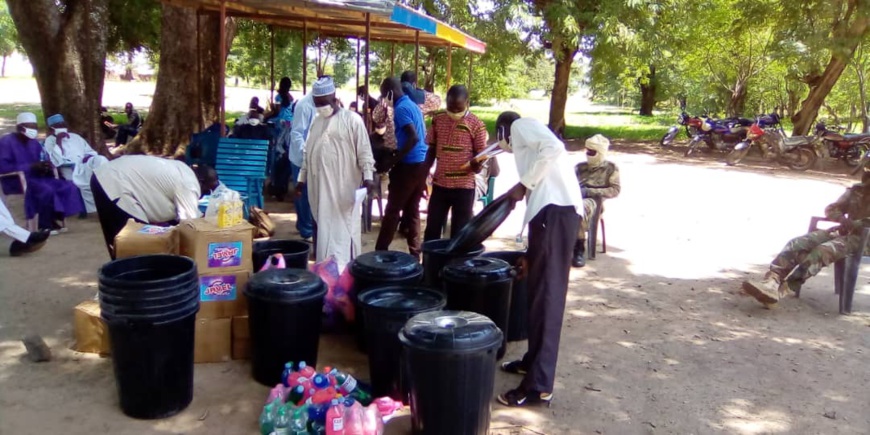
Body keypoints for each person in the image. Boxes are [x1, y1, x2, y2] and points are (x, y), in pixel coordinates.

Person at [493, 111, 583, 407]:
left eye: (500, 137)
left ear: (504, 128)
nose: (503, 144)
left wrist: (522, 184)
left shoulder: (520, 126)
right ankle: (533, 361)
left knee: (547, 298)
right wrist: (531, 254)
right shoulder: (527, 144)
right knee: (538, 292)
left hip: (557, 214)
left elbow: (555, 148)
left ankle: (538, 386)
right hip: (550, 215)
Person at [742, 171, 870, 305]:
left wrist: (858, 224)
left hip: (864, 241)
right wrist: (841, 219)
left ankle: (784, 289)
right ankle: (772, 281)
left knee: (821, 252)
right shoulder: (857, 190)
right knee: (797, 243)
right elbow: (832, 208)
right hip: (843, 232)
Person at [295, 77, 375, 269]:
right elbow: (307, 153)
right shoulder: (316, 122)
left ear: (334, 97)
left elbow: (365, 152)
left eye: (324, 102)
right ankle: (326, 274)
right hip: (320, 192)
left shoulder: (352, 120)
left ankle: (345, 274)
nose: (322, 107)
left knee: (344, 234)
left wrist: (368, 178)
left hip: (344, 193)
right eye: (317, 103)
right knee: (323, 234)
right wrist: (301, 180)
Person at [91, 155, 201, 259]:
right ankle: (129, 274)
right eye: (212, 185)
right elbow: (189, 225)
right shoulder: (189, 185)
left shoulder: (184, 170)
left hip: (109, 173)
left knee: (124, 240)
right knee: (133, 240)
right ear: (202, 182)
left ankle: (125, 270)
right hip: (113, 182)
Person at [423, 85, 488, 241]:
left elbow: (482, 155)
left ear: (467, 102)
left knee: (459, 233)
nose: (454, 112)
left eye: (458, 109)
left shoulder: (477, 124)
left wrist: (476, 166)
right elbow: (431, 149)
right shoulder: (438, 120)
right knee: (432, 230)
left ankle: (454, 265)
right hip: (440, 185)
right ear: (446, 101)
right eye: (451, 107)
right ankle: (429, 264)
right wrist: (424, 173)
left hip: (463, 188)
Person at [0, 113, 84, 233]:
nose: (33, 130)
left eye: (35, 127)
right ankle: (44, 224)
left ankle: (54, 218)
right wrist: (30, 166)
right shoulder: (6, 142)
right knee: (45, 189)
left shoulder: (34, 143)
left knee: (67, 186)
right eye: (30, 127)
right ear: (20, 128)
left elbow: (41, 159)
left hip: (37, 177)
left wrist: (46, 165)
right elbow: (3, 167)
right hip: (16, 180)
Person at [374, 77, 429, 259]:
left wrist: (393, 160)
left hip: (409, 166)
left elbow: (413, 138)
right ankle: (415, 255)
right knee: (412, 211)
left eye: (384, 95)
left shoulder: (400, 109)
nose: (384, 99)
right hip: (421, 164)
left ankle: (379, 253)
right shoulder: (412, 105)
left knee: (392, 210)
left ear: (390, 92)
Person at [43, 114, 109, 214]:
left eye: (62, 124)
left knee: (101, 159)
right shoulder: (50, 141)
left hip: (84, 164)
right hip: (69, 169)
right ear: (52, 128)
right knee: (89, 180)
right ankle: (94, 208)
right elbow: (56, 161)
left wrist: (88, 157)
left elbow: (90, 151)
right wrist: (59, 141)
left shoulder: (75, 137)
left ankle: (108, 194)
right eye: (58, 126)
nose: (61, 127)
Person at [572, 134, 621, 267]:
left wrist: (590, 191)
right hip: (575, 197)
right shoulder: (579, 167)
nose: (588, 154)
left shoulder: (610, 168)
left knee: (580, 209)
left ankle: (579, 248)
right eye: (587, 151)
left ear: (600, 152)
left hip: (595, 202)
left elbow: (615, 190)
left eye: (592, 152)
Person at [288, 79, 317, 241]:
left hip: (314, 157)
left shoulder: (323, 105)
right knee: (303, 193)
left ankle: (302, 224)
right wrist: (306, 151)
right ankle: (306, 230)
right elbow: (297, 133)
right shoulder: (304, 106)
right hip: (301, 157)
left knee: (310, 193)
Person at [267, 77, 296, 202]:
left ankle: (275, 179)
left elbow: (277, 112)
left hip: (281, 122)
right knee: (287, 145)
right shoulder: (290, 97)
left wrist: (268, 114)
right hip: (290, 122)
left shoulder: (278, 97)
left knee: (277, 147)